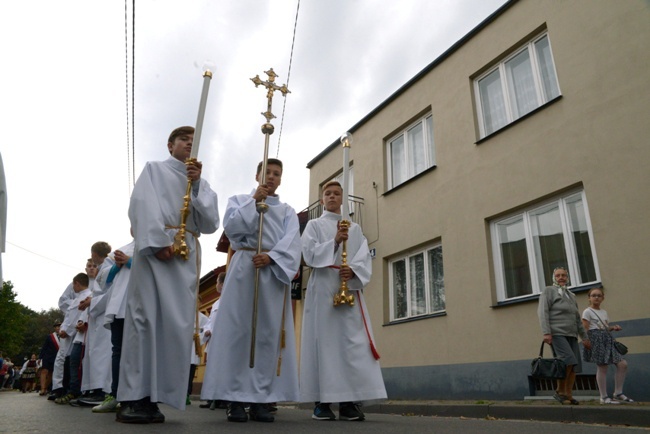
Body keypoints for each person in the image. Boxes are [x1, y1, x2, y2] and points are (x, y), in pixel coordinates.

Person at [116, 126, 220, 424]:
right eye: (183, 140)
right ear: (169, 145)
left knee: (174, 325)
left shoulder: (201, 183)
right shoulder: (154, 170)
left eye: (193, 141)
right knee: (144, 319)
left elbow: (210, 223)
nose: (189, 144)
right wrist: (157, 241)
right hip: (157, 251)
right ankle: (133, 397)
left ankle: (154, 397)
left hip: (184, 256)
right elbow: (141, 205)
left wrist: (197, 185)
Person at [201, 158, 301, 423]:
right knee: (239, 332)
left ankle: (261, 399)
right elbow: (232, 230)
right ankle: (234, 398)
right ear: (257, 175)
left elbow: (292, 244)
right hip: (244, 268)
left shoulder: (288, 211)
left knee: (267, 335)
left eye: (276, 173)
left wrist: (272, 257)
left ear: (281, 179)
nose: (271, 177)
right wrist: (254, 203)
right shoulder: (239, 201)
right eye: (266, 172)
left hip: (271, 272)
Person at [300, 181, 387, 421]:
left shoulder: (356, 229)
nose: (332, 197)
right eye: (327, 193)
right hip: (323, 290)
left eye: (337, 193)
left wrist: (354, 271)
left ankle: (349, 401)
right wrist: (335, 241)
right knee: (324, 343)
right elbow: (308, 254)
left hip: (347, 288)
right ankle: (322, 402)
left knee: (350, 344)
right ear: (321, 200)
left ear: (342, 199)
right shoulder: (314, 225)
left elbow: (363, 256)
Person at [538, 267, 591, 405]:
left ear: (567, 277)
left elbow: (577, 318)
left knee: (574, 365)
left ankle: (568, 394)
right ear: (553, 277)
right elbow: (542, 313)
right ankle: (559, 392)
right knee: (567, 361)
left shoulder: (571, 295)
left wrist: (584, 337)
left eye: (564, 275)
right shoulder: (548, 291)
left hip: (571, 334)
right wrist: (546, 332)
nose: (561, 277)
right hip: (557, 333)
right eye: (558, 275)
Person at [92, 238, 134, 413]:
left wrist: (130, 262)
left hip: (140, 306)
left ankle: (135, 397)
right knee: (118, 351)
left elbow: (158, 270)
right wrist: (118, 265)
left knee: (137, 352)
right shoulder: (121, 249)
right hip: (119, 307)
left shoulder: (154, 245)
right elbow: (103, 279)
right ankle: (115, 394)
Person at [581, 287, 634, 404]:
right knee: (602, 366)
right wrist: (585, 340)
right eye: (593, 295)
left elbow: (604, 327)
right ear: (589, 298)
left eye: (599, 295)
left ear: (603, 298)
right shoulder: (587, 311)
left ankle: (618, 393)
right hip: (595, 339)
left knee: (622, 364)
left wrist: (613, 328)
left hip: (607, 339)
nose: (596, 297)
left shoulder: (604, 312)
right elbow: (585, 328)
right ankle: (603, 397)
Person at [79, 242, 114, 404]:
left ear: (93, 253)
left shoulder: (107, 268)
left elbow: (109, 293)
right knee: (94, 352)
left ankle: (101, 390)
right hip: (97, 317)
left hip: (104, 317)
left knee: (101, 353)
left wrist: (91, 302)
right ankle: (93, 388)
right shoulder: (104, 268)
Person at [55, 272, 91, 405]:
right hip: (72, 335)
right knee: (70, 362)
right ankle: (70, 389)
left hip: (79, 334)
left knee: (75, 363)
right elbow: (69, 316)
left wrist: (67, 331)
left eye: (73, 285)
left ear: (76, 283)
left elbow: (77, 317)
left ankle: (75, 390)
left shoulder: (88, 296)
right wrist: (64, 329)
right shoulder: (77, 298)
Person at [198, 271, 227, 410]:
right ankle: (211, 398)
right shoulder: (216, 303)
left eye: (217, 282)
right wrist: (208, 330)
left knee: (222, 370)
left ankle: (222, 399)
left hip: (224, 341)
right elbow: (210, 321)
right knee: (212, 370)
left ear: (222, 284)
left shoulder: (230, 300)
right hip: (214, 341)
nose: (216, 285)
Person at [38, 322, 61, 395]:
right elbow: (44, 347)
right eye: (56, 327)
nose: (58, 328)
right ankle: (42, 389)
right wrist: (40, 357)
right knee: (44, 371)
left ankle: (45, 388)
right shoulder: (50, 336)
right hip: (47, 356)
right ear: (54, 328)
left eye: (59, 326)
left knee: (51, 374)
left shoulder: (64, 336)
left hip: (56, 357)